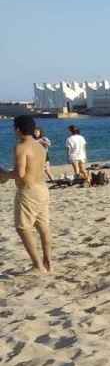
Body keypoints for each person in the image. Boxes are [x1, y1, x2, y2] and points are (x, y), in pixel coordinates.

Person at [0, 116, 53, 273]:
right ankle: (48, 261)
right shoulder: (40, 147)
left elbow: (20, 173)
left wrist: (4, 174)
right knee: (43, 226)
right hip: (42, 189)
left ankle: (38, 265)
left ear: (17, 129)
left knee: (23, 228)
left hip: (28, 191)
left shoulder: (21, 147)